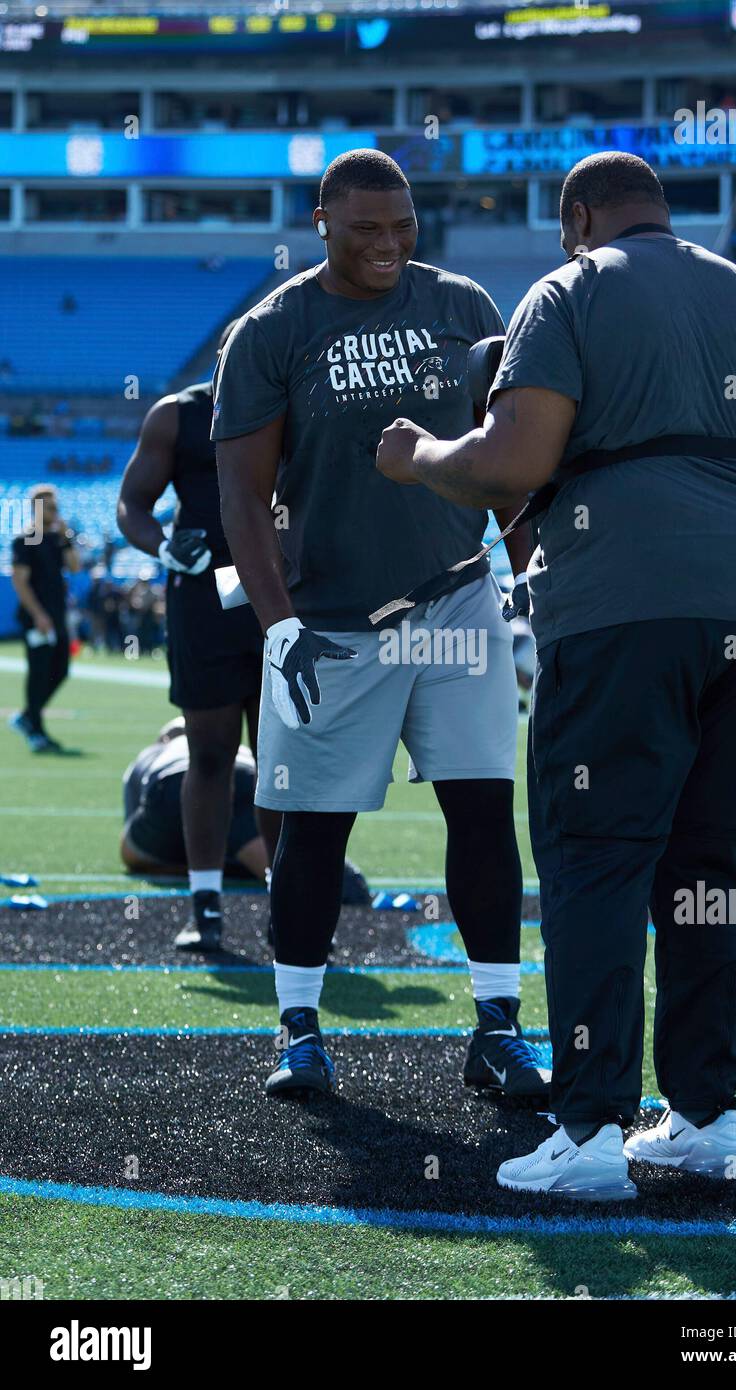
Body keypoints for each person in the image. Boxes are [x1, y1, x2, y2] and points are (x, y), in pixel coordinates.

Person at [375, 150, 736, 1198]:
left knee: (595, 854)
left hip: (624, 597)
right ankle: (702, 1118)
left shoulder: (570, 287)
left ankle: (590, 1129)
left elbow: (510, 459)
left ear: (577, 219)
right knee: (709, 870)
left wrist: (419, 454)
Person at [213, 148, 548, 1104]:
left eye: (402, 225)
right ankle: (301, 1029)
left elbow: (510, 461)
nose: (389, 245)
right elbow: (242, 497)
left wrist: (531, 585)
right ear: (320, 221)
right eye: (366, 229)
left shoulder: (465, 306)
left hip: (455, 599)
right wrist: (278, 627)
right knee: (313, 828)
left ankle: (497, 1027)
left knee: (483, 809)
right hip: (332, 621)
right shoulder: (273, 329)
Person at [117, 323, 281, 952]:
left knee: (281, 765)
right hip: (205, 600)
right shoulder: (177, 416)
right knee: (210, 755)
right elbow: (132, 502)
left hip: (276, 596)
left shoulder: (292, 406)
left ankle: (287, 902)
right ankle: (206, 903)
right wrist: (164, 545)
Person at [121, 718, 371, 907]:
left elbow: (130, 844)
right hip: (249, 781)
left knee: (132, 855)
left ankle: (220, 867)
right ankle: (316, 875)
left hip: (176, 786)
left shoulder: (154, 753)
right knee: (277, 851)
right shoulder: (228, 744)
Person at [8, 483, 81, 753]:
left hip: (57, 615)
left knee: (60, 669)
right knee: (39, 672)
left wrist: (66, 537)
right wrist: (38, 614)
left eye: (56, 506)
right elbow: (20, 581)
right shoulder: (27, 538)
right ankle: (36, 729)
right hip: (37, 618)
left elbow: (75, 566)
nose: (55, 511)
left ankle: (28, 717)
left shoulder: (56, 537)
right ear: (36, 508)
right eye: (50, 506)